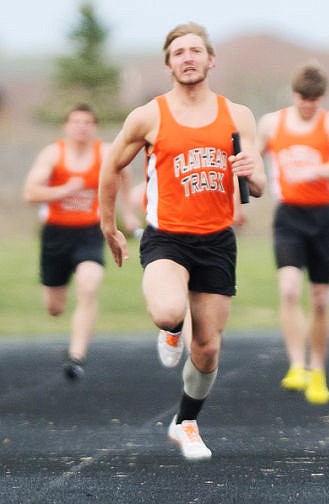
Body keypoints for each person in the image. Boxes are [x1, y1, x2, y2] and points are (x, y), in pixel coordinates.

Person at [98, 22, 266, 460]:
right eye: (178, 53)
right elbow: (110, 166)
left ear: (211, 60)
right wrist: (109, 226)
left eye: (195, 50)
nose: (188, 58)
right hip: (166, 239)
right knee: (168, 311)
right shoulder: (149, 115)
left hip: (216, 241)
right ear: (169, 63)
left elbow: (260, 184)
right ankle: (172, 331)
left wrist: (252, 171)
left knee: (208, 349)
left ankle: (186, 422)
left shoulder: (239, 115)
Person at [255, 63, 329, 405]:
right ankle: (296, 365)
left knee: (319, 299)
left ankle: (318, 369)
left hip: (322, 218)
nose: (308, 105)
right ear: (293, 94)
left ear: (321, 98)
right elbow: (252, 158)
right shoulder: (273, 123)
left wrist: (314, 170)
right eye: (303, 98)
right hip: (289, 215)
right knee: (287, 289)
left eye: (314, 99)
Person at [23, 103, 137, 381]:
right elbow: (30, 193)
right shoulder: (53, 153)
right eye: (76, 122)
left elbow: (123, 172)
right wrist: (64, 190)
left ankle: (76, 357)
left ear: (93, 127)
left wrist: (128, 213)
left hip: (90, 231)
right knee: (55, 307)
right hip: (56, 234)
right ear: (67, 126)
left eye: (87, 122)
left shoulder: (105, 151)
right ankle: (61, 312)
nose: (81, 127)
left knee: (89, 284)